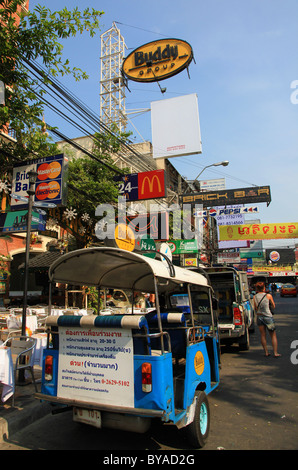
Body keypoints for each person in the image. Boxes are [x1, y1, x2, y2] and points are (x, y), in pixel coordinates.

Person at [253, 281, 281, 357]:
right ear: (264, 288)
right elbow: (273, 306)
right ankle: (275, 352)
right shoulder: (268, 296)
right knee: (273, 335)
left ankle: (266, 352)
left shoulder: (255, 297)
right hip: (268, 317)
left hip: (259, 317)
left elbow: (255, 308)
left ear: (257, 289)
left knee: (263, 335)